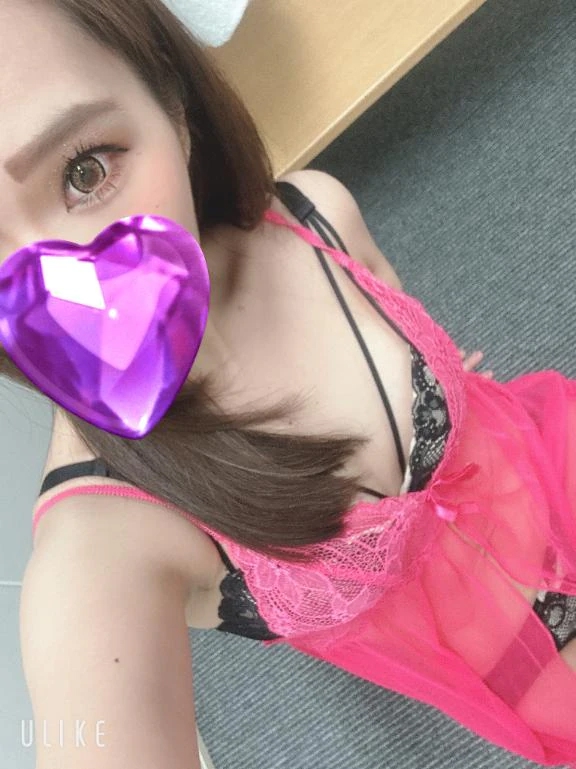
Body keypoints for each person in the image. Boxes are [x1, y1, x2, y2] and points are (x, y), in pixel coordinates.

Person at [1, 1, 575, 767]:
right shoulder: (101, 546)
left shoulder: (317, 211)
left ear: (173, 105)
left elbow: (389, 295)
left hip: (548, 471)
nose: (69, 300)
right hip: (507, 668)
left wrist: (442, 387)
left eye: (85, 170)